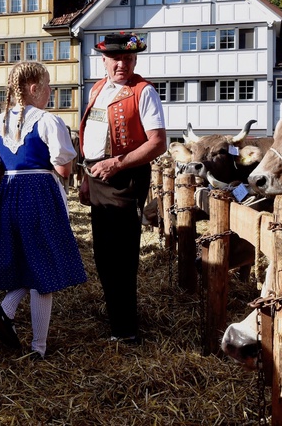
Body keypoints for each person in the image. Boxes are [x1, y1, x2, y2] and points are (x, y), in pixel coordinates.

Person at [0, 61, 87, 359]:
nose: (50, 91)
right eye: (48, 86)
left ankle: (6, 310)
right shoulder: (48, 121)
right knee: (45, 267)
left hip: (10, 193)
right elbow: (64, 169)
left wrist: (14, 163)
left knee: (29, 260)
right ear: (34, 88)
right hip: (40, 193)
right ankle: (38, 347)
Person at [78, 32, 166, 344]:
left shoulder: (144, 91)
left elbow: (158, 143)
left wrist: (117, 163)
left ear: (135, 60)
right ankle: (116, 321)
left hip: (124, 178)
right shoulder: (97, 88)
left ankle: (126, 331)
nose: (122, 65)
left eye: (128, 59)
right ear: (103, 60)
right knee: (103, 254)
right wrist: (86, 178)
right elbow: (92, 137)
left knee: (121, 254)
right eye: (115, 59)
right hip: (97, 176)